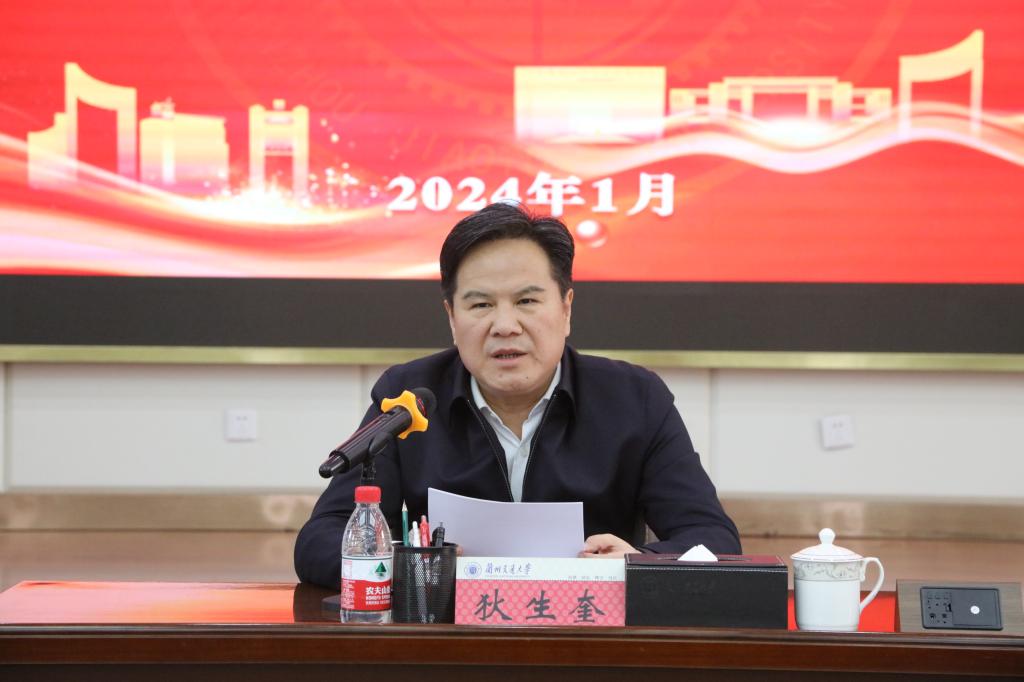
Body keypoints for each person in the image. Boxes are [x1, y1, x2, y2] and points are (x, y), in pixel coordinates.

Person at [294, 202, 741, 588]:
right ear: (452, 318)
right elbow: (320, 541)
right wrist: (414, 568)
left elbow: (713, 541)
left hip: (590, 639)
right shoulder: (408, 397)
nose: (505, 326)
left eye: (527, 301)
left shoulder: (634, 399)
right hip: (453, 642)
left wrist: (634, 564)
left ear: (565, 308)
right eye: (481, 305)